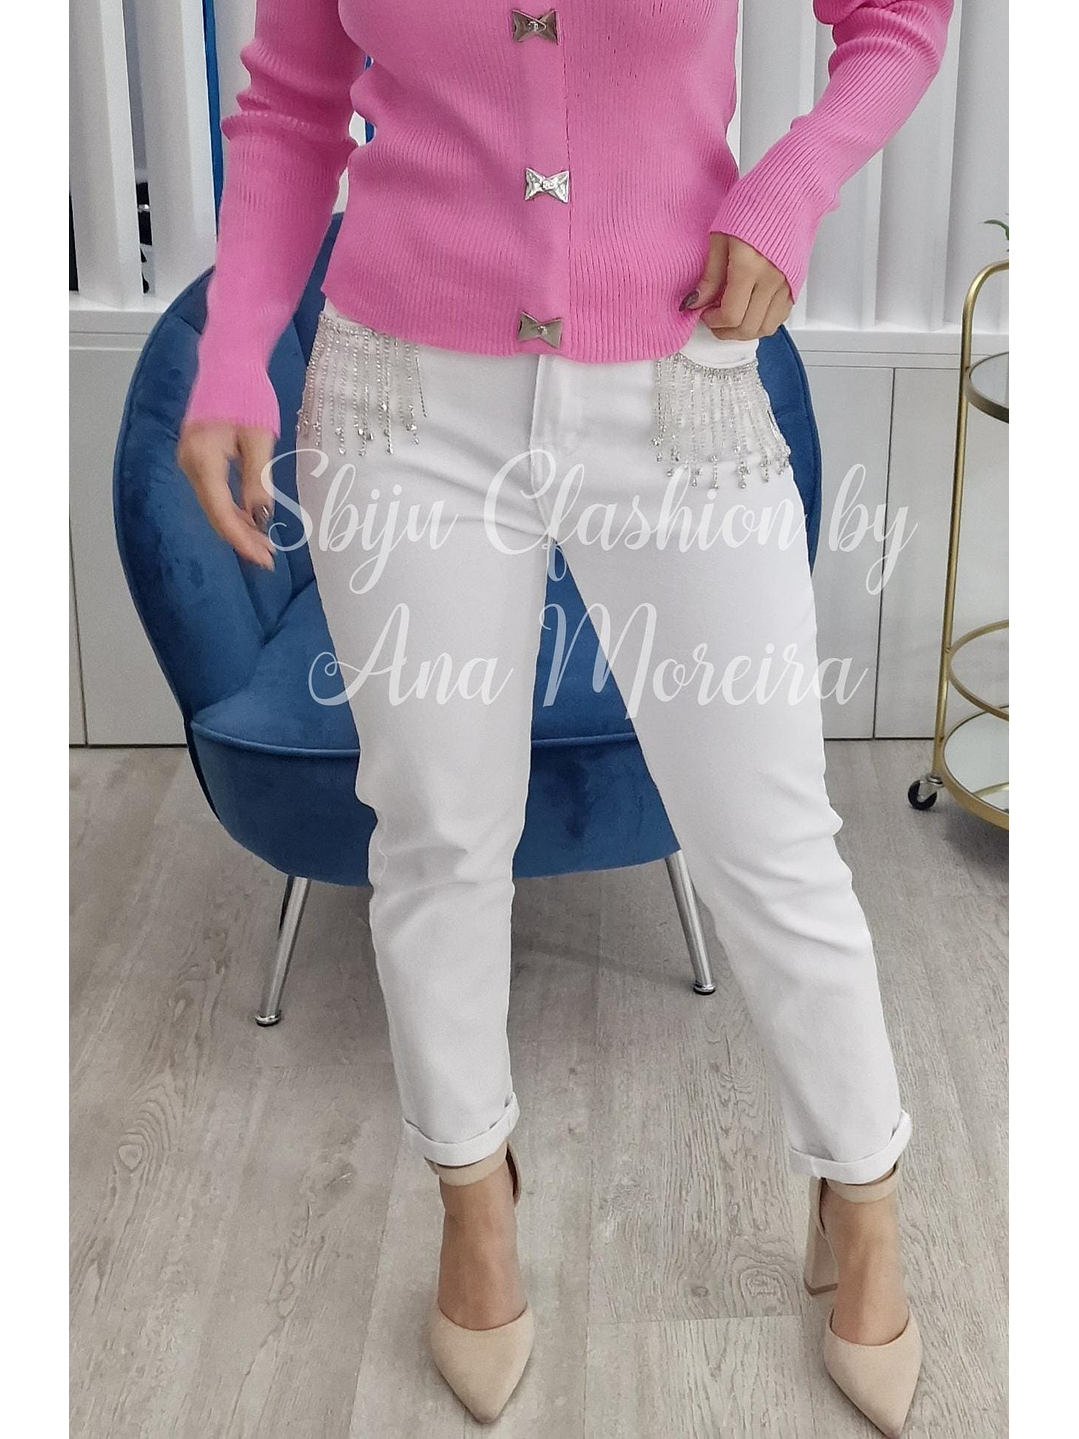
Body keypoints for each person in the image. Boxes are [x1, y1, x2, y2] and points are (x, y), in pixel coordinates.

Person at [178, 3, 953, 1432]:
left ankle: (862, 1197)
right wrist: (235, 349)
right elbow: (290, 102)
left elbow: (899, 20)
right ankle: (474, 1199)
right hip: (400, 402)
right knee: (437, 831)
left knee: (770, 837)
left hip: (675, 377)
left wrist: (785, 190)